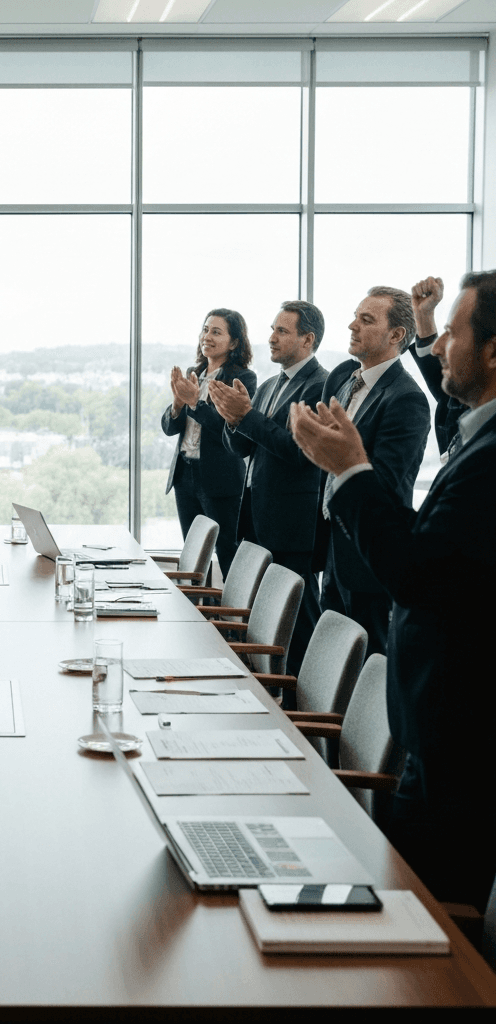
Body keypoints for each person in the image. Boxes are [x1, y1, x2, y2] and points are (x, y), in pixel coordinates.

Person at [290, 270, 496, 911]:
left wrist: (349, 469)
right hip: (432, 741)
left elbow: (415, 572)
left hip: (457, 745)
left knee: (416, 928)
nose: (434, 349)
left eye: (450, 335)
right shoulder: (478, 432)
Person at [210, 300, 329, 675]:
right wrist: (233, 421)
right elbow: (244, 448)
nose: (271, 338)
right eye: (273, 329)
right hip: (258, 515)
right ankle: (273, 684)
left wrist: (247, 417)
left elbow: (298, 450)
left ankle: (305, 699)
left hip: (293, 522)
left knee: (300, 620)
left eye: (282, 331)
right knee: (268, 615)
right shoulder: (270, 383)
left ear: (307, 339)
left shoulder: (321, 384)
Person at [316, 286, 430, 657]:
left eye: (366, 320)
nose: (352, 325)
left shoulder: (406, 398)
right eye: (355, 316)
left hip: (368, 555)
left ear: (396, 335)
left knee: (366, 666)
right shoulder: (342, 378)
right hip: (332, 543)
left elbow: (383, 482)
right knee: (329, 663)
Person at [160, 308, 257, 578]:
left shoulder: (242, 378)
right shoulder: (194, 373)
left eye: (216, 332)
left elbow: (227, 427)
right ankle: (198, 614)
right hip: (184, 474)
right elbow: (170, 427)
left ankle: (231, 616)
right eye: (205, 329)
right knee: (193, 554)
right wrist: (178, 405)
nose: (207, 336)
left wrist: (194, 401)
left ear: (234, 342)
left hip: (219, 479)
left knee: (227, 551)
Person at [410, 275, 468, 459]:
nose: (436, 348)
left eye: (452, 333)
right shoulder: (465, 399)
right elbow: (445, 387)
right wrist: (423, 315)